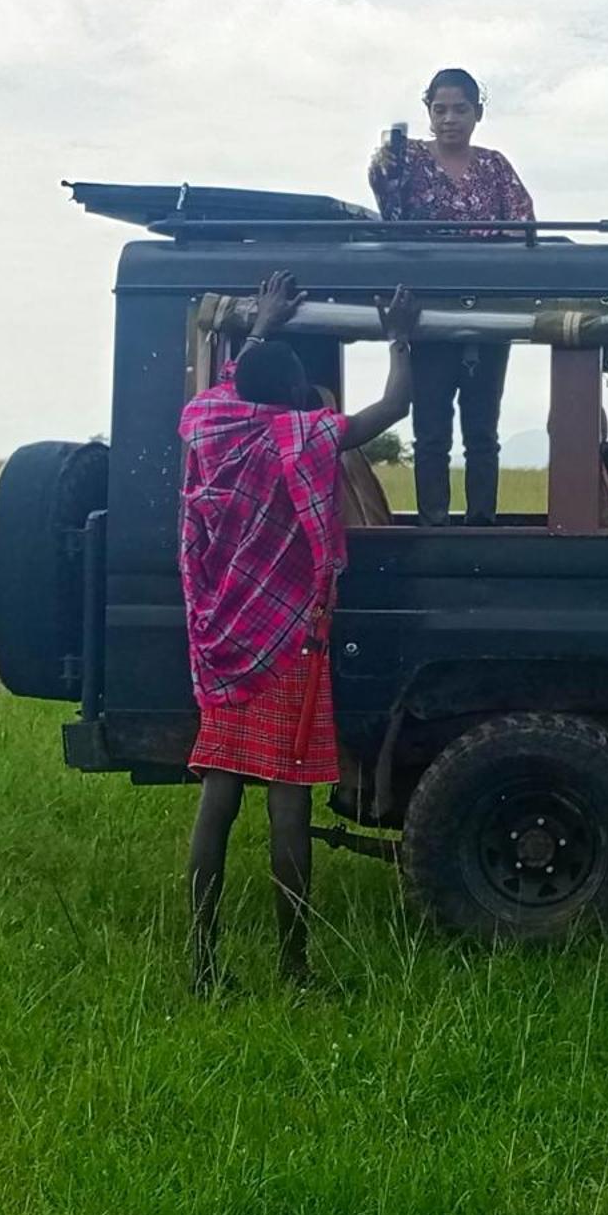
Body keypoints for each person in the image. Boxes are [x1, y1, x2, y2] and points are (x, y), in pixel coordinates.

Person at [179, 271, 421, 993]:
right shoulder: (299, 437)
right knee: (288, 802)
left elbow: (231, 382)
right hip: (286, 642)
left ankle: (202, 963)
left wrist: (262, 325)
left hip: (222, 641)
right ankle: (294, 967)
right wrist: (400, 334)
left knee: (218, 800)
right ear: (292, 397)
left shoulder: (205, 422)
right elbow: (395, 405)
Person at [368, 66, 534, 527]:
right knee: (431, 429)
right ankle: (433, 522)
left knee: (483, 430)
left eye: (460, 108)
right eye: (439, 109)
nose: (449, 119)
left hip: (489, 309)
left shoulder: (496, 166)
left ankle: (482, 521)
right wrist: (387, 162)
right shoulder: (409, 162)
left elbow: (524, 226)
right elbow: (390, 211)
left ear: (477, 112)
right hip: (428, 310)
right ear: (428, 112)